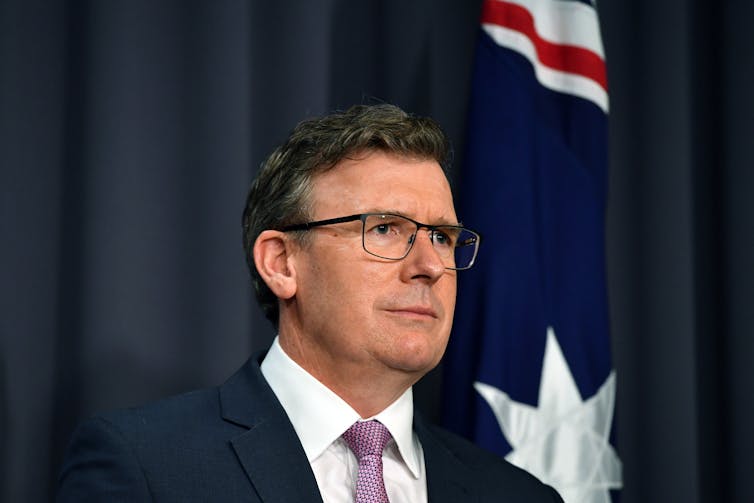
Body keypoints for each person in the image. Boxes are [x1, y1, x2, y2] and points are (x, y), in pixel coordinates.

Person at [57, 104, 562, 502]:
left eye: (444, 238)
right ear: (280, 262)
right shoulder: (146, 467)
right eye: (385, 229)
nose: (429, 266)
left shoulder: (518, 495)